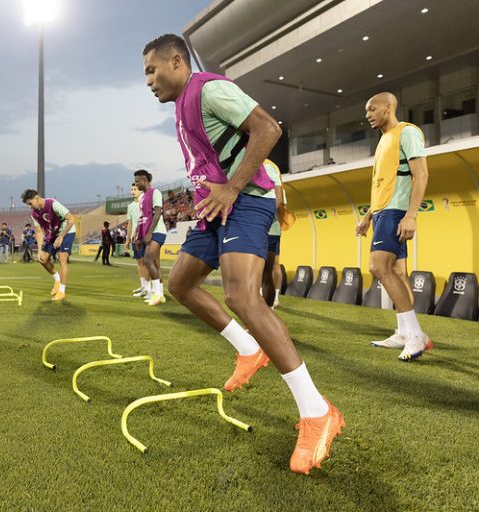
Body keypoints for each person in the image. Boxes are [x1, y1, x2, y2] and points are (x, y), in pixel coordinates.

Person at [142, 33, 343, 474]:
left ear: (177, 61)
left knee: (243, 297)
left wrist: (232, 187)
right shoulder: (181, 106)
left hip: (247, 199)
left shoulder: (210, 89)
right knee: (179, 283)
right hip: (216, 208)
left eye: (152, 70)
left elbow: (268, 129)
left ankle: (317, 413)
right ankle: (249, 349)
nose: (149, 81)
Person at [356, 92, 433, 360]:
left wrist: (411, 215)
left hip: (396, 212)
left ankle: (415, 335)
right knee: (398, 272)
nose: (368, 114)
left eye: (372, 109)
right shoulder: (383, 140)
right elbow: (383, 183)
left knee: (378, 267)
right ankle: (403, 332)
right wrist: (368, 216)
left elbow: (421, 174)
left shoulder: (407, 132)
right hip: (381, 212)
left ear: (388, 108)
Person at [21, 189, 76, 301]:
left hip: (67, 231)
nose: (29, 207)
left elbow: (71, 219)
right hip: (53, 234)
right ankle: (57, 280)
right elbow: (39, 232)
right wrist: (40, 250)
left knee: (62, 258)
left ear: (37, 198)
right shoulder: (34, 213)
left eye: (30, 203)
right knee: (42, 259)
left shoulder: (53, 204)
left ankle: (62, 291)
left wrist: (61, 237)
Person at [134, 169, 168, 306]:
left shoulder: (155, 192)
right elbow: (142, 218)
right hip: (148, 233)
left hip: (157, 232)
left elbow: (158, 212)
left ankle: (157, 294)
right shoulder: (142, 197)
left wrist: (149, 233)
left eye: (137, 181)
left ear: (144, 180)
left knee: (148, 260)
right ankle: (159, 294)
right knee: (155, 263)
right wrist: (138, 237)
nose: (136, 184)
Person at [261, 159, 286, 309]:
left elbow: (279, 199)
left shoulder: (269, 166)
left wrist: (264, 216)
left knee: (272, 265)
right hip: (262, 226)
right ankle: (260, 298)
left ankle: (274, 298)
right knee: (260, 265)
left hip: (270, 226)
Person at [126, 183, 151, 297]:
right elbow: (130, 223)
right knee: (139, 262)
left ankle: (148, 288)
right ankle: (143, 286)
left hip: (143, 236)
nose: (132, 191)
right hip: (134, 238)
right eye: (131, 189)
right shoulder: (130, 206)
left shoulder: (145, 203)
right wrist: (128, 238)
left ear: (140, 191)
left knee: (146, 262)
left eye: (135, 189)